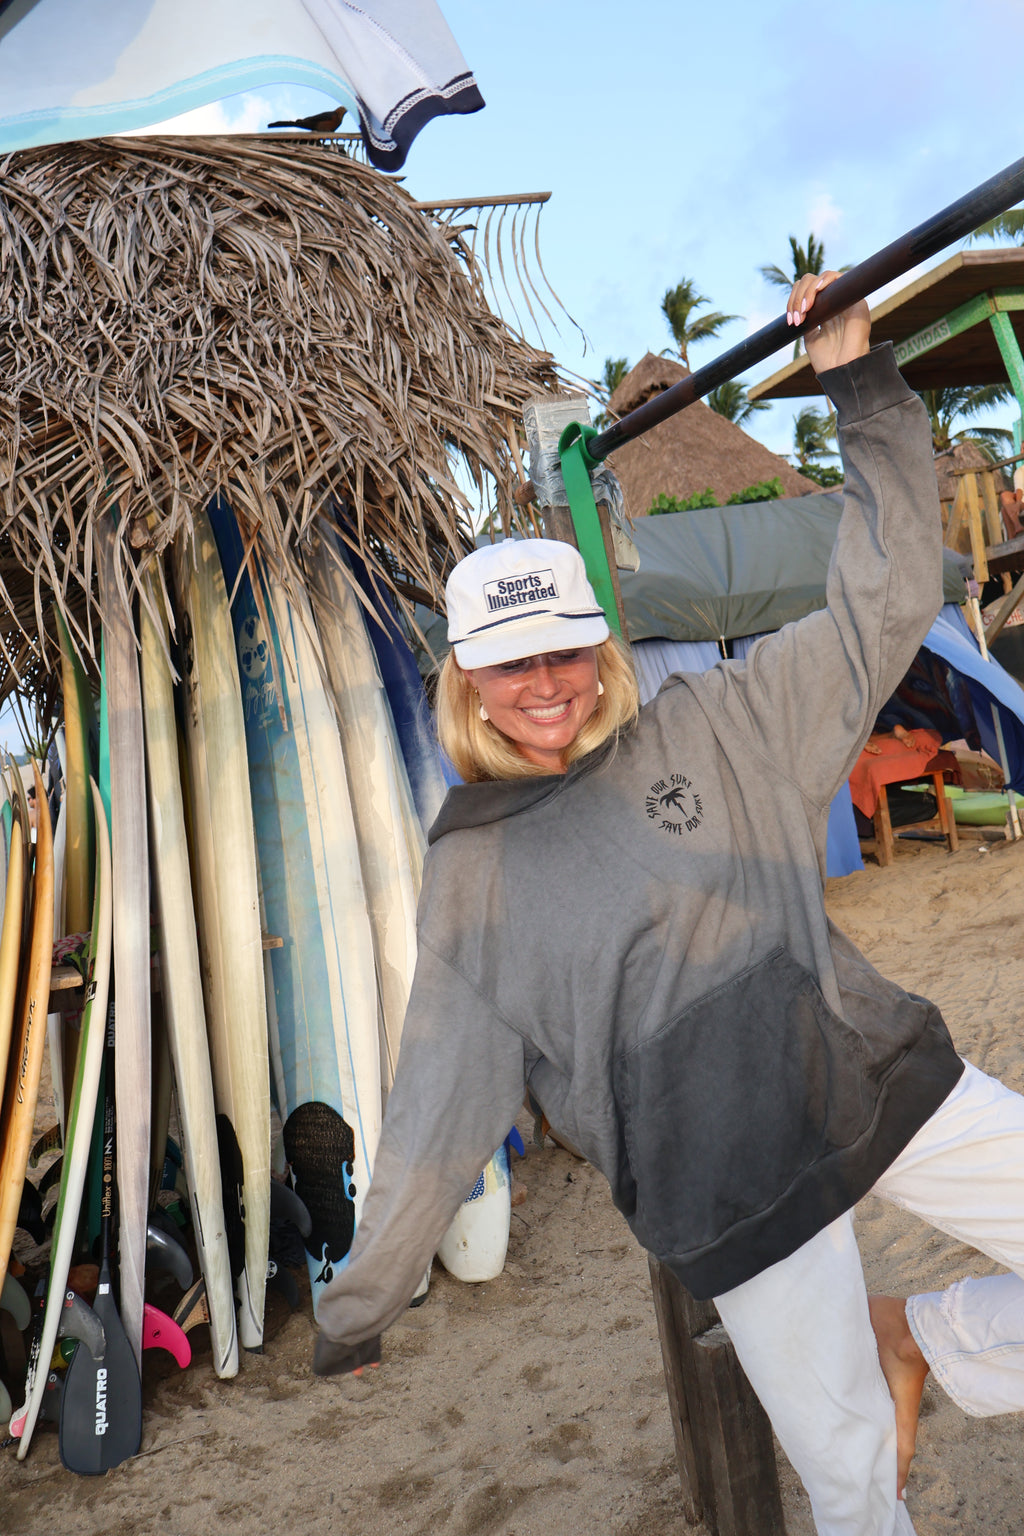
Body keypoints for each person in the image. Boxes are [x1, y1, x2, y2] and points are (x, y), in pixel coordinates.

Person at [313, 273, 1024, 1536]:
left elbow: (885, 591)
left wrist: (861, 386)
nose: (546, 687)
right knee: (856, 1488)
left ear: (604, 648)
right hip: (724, 1180)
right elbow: (440, 1105)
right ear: (463, 681)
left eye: (566, 653)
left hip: (864, 1071)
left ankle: (923, 1332)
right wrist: (362, 1299)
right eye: (508, 664)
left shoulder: (724, 723)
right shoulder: (473, 873)